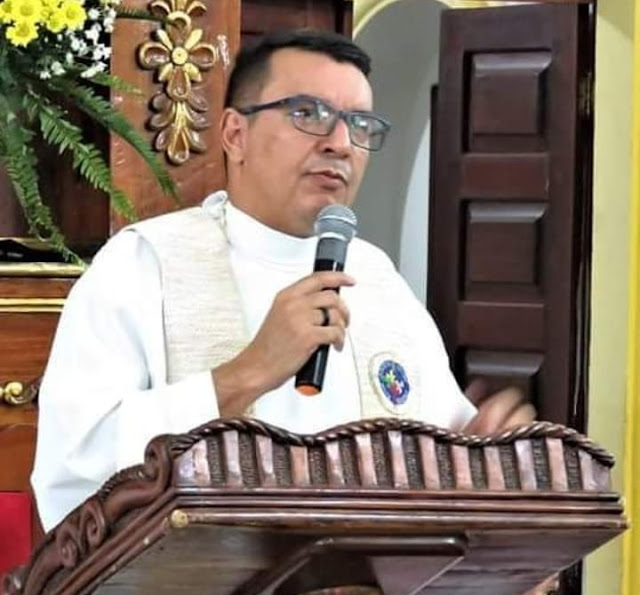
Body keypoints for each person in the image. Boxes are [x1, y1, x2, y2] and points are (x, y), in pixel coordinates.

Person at [31, 29, 534, 533]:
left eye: (359, 124)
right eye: (308, 113)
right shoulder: (144, 265)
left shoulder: (379, 281)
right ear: (235, 134)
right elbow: (73, 464)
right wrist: (248, 372)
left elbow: (439, 447)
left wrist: (481, 452)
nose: (340, 144)